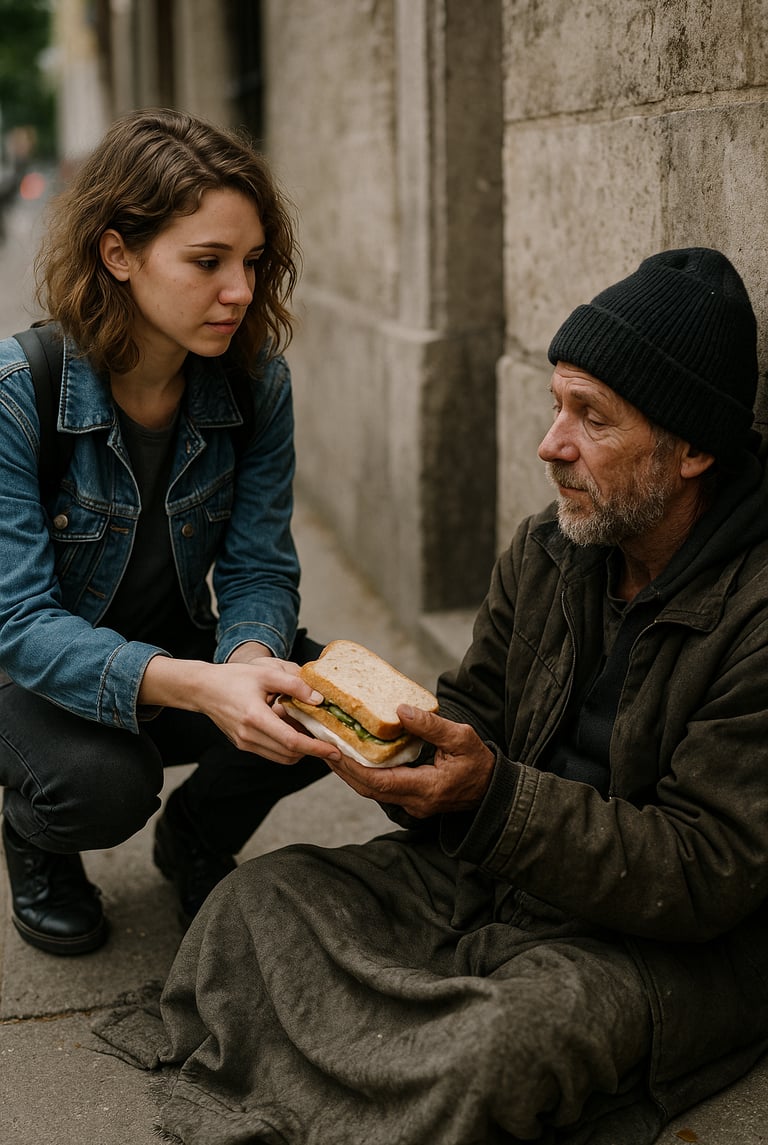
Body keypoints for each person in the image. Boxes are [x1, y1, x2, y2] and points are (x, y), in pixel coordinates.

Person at [142, 248, 768, 1144]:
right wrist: (393, 756)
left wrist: (492, 796)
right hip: (483, 875)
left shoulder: (755, 614)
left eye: (592, 419)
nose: (551, 445)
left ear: (694, 448)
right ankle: (383, 1078)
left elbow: (707, 868)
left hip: (651, 944)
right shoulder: (550, 548)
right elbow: (473, 713)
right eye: (556, 405)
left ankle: (373, 1073)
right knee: (250, 908)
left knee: (500, 1045)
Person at [0, 108, 343, 956]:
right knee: (105, 785)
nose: (243, 291)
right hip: (32, 673)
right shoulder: (20, 391)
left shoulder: (256, 384)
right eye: (208, 261)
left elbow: (261, 564)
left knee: (319, 706)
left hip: (175, 640)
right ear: (118, 253)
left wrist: (252, 664)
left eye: (254, 262)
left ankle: (194, 833)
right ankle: (35, 835)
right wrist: (199, 687)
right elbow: (20, 624)